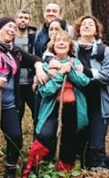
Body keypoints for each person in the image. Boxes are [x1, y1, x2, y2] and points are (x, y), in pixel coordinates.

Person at [0, 17, 48, 178]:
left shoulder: (16, 51)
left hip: (9, 102)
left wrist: (39, 69)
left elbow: (35, 59)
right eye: (8, 26)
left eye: (14, 27)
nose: (12, 30)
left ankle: (10, 168)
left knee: (15, 136)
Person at [23, 30, 90, 177]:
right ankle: (29, 169)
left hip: (73, 110)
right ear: (53, 45)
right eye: (58, 40)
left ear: (69, 45)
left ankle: (63, 172)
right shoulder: (46, 66)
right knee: (45, 136)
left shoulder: (75, 62)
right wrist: (60, 74)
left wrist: (69, 71)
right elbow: (45, 91)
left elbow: (84, 82)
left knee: (69, 142)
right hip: (53, 109)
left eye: (64, 41)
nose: (61, 43)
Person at [72, 15, 109, 172]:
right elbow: (51, 54)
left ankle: (99, 169)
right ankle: (84, 169)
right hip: (77, 102)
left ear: (96, 31)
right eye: (83, 24)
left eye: (90, 24)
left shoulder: (104, 50)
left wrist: (88, 72)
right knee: (80, 140)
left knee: (97, 142)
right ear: (78, 29)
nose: (86, 26)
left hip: (100, 101)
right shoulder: (71, 49)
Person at [14, 9, 38, 125]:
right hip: (15, 84)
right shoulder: (10, 38)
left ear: (29, 21)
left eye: (26, 18)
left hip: (31, 83)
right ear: (16, 20)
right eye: (20, 17)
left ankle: (37, 142)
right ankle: (15, 143)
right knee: (16, 117)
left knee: (38, 115)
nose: (23, 20)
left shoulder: (35, 39)